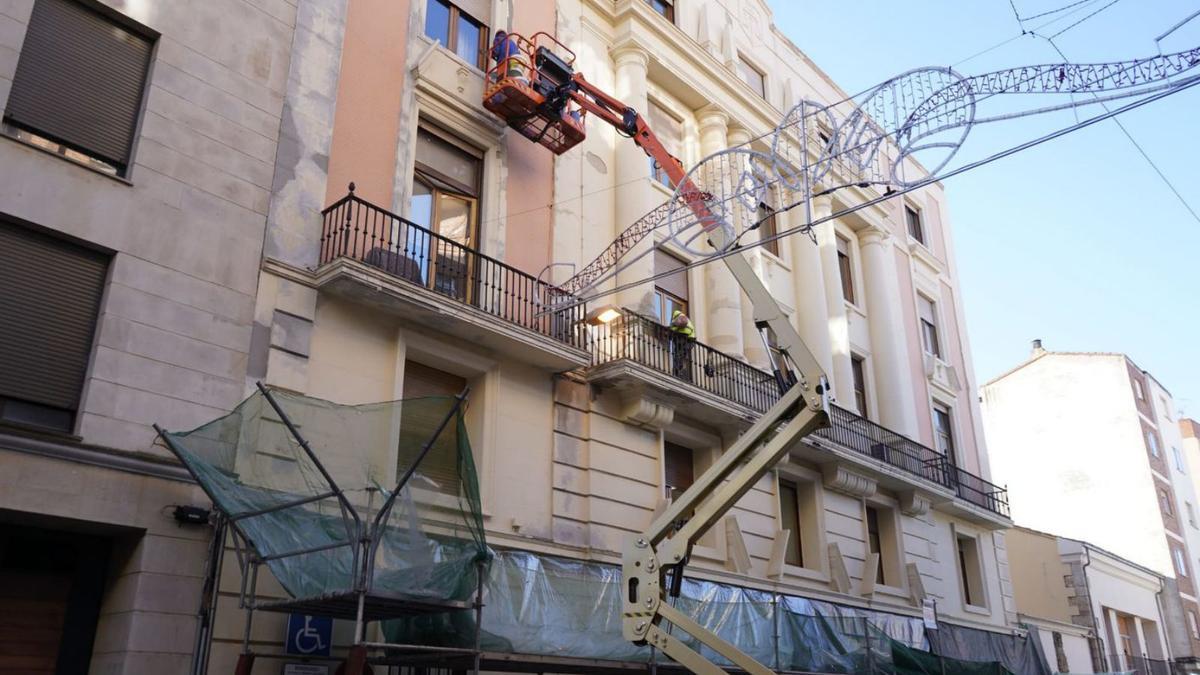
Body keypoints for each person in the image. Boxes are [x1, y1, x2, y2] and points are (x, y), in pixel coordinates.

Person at [669, 309, 695, 380]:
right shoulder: (677, 314)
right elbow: (674, 327)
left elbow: (675, 330)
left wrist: (671, 330)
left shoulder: (687, 328)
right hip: (683, 339)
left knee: (680, 355)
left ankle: (677, 371)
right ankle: (676, 370)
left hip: (689, 341)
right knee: (678, 354)